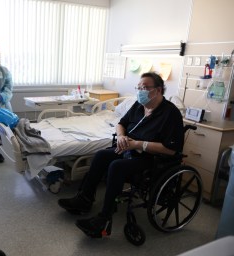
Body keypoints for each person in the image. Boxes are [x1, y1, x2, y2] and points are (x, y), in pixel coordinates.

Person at [58, 72, 184, 238]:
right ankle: (84, 199)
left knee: (116, 166)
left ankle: (104, 219)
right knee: (101, 155)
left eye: (145, 88)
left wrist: (139, 144)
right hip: (128, 149)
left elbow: (171, 150)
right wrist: (122, 136)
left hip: (151, 159)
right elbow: (120, 123)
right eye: (138, 88)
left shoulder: (170, 114)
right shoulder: (140, 106)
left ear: (158, 90)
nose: (140, 91)